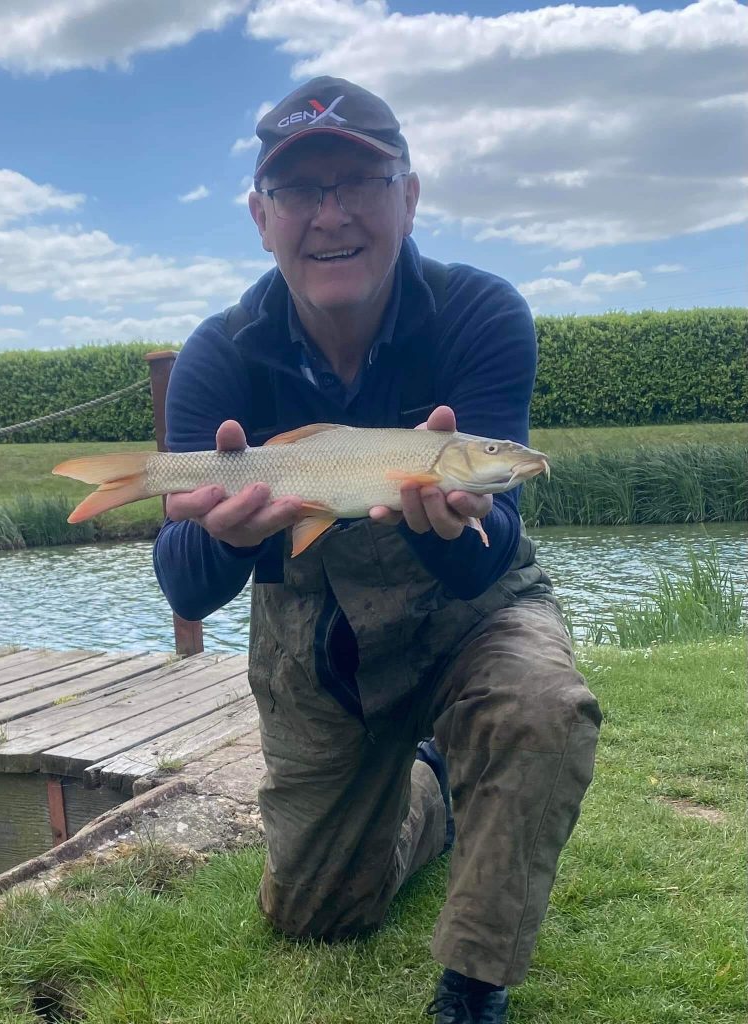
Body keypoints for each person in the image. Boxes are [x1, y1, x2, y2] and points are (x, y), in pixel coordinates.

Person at [153, 76, 602, 1023]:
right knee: (315, 914)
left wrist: (456, 522)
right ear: (260, 216)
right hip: (316, 644)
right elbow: (182, 582)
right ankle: (427, 794)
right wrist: (222, 537)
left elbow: (490, 556)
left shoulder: (482, 314)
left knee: (543, 706)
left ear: (409, 195)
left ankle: (476, 984)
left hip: (475, 614)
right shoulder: (220, 355)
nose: (331, 215)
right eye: (301, 190)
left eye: (359, 181)